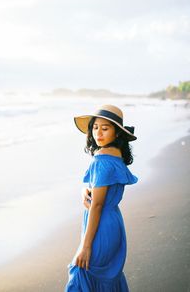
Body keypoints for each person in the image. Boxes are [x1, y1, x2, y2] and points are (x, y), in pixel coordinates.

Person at [65, 104, 138, 292]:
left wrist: (85, 246)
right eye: (95, 127)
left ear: (117, 133)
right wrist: (85, 191)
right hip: (113, 221)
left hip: (100, 226)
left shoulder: (101, 160)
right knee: (105, 279)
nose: (98, 133)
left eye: (105, 128)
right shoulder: (116, 154)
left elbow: (97, 205)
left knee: (82, 271)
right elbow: (100, 191)